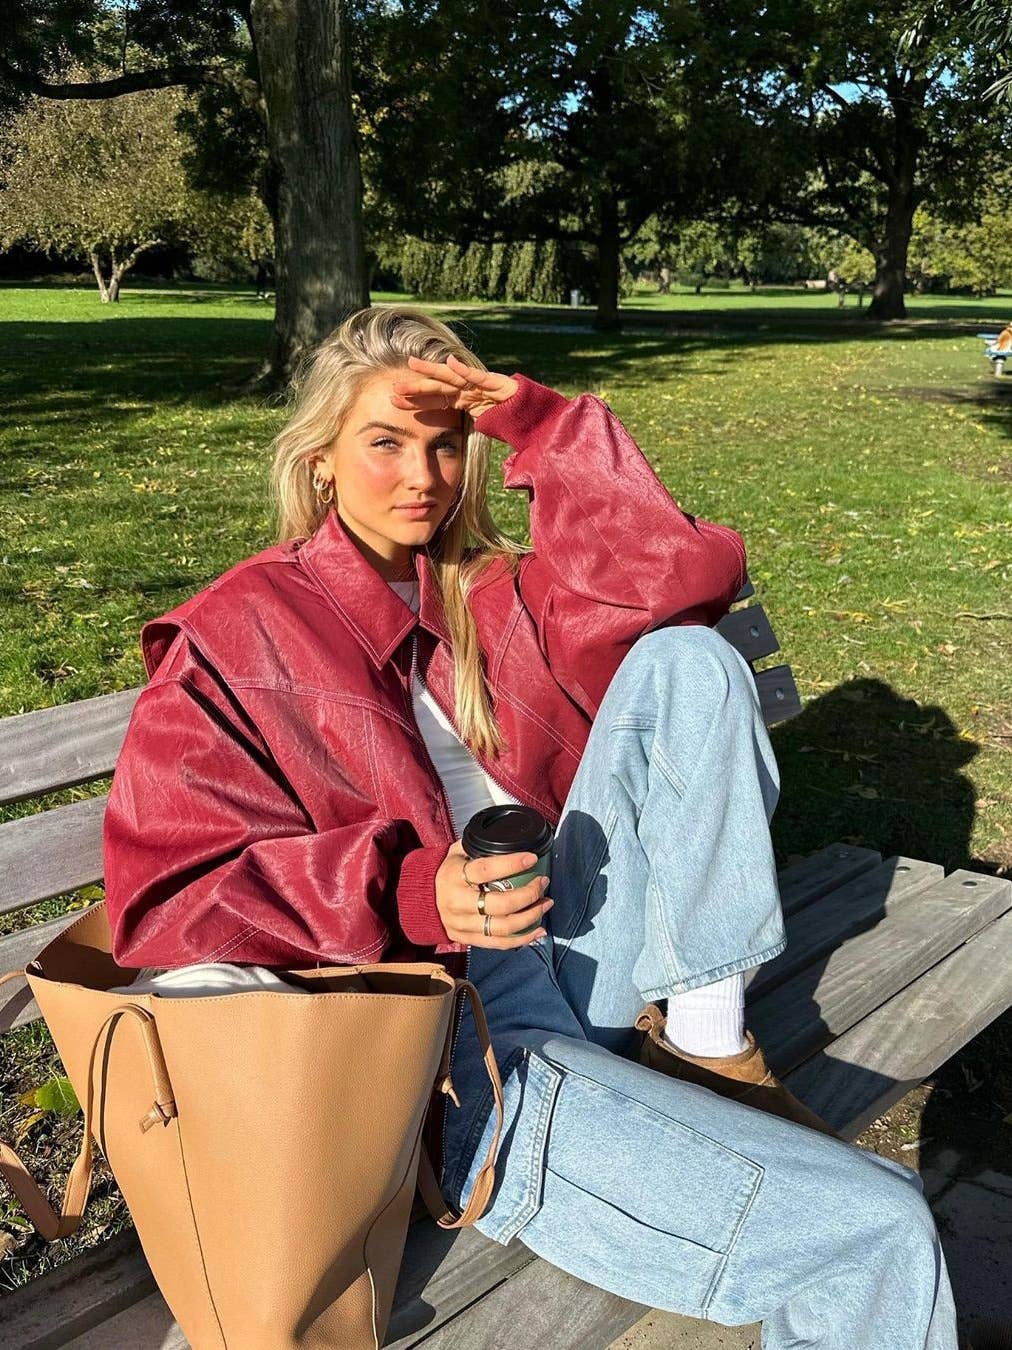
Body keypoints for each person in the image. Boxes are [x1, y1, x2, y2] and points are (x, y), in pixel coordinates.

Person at [103, 303, 958, 1348]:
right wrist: (412, 891)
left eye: (443, 444)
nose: (422, 476)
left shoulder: (489, 591)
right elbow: (171, 899)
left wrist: (542, 425)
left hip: (574, 940)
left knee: (690, 660)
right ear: (320, 461)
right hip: (448, 1050)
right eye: (384, 443)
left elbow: (679, 579)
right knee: (876, 1228)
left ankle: (705, 1040)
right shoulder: (239, 634)